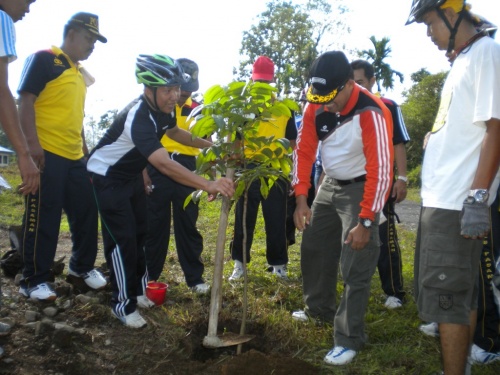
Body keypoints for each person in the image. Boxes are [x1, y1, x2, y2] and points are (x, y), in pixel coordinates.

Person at [87, 54, 234, 328]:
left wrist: (208, 146)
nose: (174, 96)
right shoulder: (138, 117)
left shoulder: (163, 110)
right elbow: (164, 164)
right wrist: (208, 184)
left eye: (177, 89)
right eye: (168, 90)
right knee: (123, 243)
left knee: (142, 234)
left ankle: (140, 291)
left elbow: (175, 132)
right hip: (107, 178)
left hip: (130, 175)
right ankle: (122, 305)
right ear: (148, 89)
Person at [406, 1, 500, 374]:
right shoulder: (462, 60)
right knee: (460, 293)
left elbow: (496, 126)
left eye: (430, 23)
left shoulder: (486, 53)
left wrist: (478, 196)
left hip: (458, 200)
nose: (430, 34)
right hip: (442, 199)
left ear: (451, 13)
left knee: (448, 295)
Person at [292, 50, 393, 365]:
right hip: (330, 183)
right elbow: (304, 150)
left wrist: (365, 221)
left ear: (350, 84)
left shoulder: (371, 112)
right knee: (314, 247)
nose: (325, 105)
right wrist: (301, 199)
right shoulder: (316, 104)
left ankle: (349, 337)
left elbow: (381, 171)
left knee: (356, 259)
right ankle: (318, 309)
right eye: (319, 98)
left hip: (363, 187)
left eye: (331, 97)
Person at [17, 12, 108, 301]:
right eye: (88, 38)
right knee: (45, 215)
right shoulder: (45, 58)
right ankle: (34, 279)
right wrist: (31, 147)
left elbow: (75, 117)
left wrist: (84, 153)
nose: (92, 45)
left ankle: (80, 267)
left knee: (86, 212)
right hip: (46, 153)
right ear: (70, 34)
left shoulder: (79, 73)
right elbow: (25, 101)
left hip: (73, 158)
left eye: (95, 40)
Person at [144, 58, 209, 294]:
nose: (181, 95)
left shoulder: (200, 109)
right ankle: (149, 276)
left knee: (188, 223)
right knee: (154, 224)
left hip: (187, 165)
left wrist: (211, 156)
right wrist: (143, 170)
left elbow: (200, 141)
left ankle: (195, 279)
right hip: (156, 164)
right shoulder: (157, 106)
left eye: (187, 91)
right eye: (179, 89)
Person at [229, 55, 297, 280]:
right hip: (249, 169)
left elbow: (292, 143)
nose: (262, 87)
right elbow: (236, 142)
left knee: (276, 220)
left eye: (264, 84)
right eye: (260, 84)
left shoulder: (284, 108)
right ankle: (239, 264)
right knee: (243, 219)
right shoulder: (244, 108)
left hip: (274, 170)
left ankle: (278, 265)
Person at [351, 59, 411, 309]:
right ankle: (353, 290)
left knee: (384, 238)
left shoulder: (386, 105)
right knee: (350, 235)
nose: (356, 87)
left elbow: (398, 143)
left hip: (380, 184)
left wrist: (402, 178)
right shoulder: (344, 108)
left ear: (372, 81)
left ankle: (395, 291)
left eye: (361, 82)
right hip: (350, 185)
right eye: (351, 83)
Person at [0, 0, 40, 359]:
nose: (28, 6)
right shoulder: (0, 19)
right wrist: (24, 153)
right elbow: (2, 91)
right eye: (27, 0)